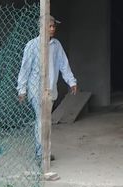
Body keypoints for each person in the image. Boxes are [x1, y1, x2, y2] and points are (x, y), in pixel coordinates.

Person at [17, 15, 78, 162]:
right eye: (49, 26)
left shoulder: (56, 45)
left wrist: (71, 81)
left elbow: (64, 64)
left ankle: (44, 151)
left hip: (50, 88)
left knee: (46, 120)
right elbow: (25, 68)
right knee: (41, 119)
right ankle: (41, 154)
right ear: (41, 28)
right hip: (35, 88)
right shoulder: (32, 45)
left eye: (53, 26)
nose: (52, 29)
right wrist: (22, 89)